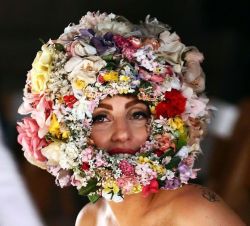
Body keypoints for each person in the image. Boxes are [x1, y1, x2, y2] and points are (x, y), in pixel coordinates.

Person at [16, 11, 245, 226]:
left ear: (165, 122)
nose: (122, 133)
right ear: (71, 130)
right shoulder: (88, 218)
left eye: (137, 114)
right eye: (101, 118)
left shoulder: (193, 209)